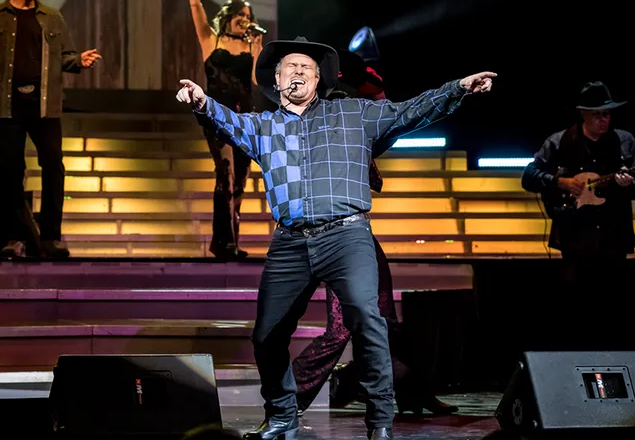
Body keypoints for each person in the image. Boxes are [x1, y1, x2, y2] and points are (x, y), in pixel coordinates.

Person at [176, 36, 495, 440]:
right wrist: (202, 100)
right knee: (267, 334)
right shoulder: (263, 126)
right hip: (290, 242)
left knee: (366, 316)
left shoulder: (354, 113)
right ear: (276, 80)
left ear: (319, 79)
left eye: (306, 67)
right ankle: (282, 416)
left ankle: (380, 422)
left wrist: (458, 89)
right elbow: (226, 120)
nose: (297, 71)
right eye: (290, 67)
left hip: (347, 236)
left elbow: (409, 112)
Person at [291, 51, 458, 417]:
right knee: (340, 331)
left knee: (385, 322)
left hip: (358, 240)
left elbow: (392, 123)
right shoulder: (308, 147)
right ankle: (289, 396)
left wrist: (380, 90)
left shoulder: (356, 133)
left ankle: (412, 394)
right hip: (329, 242)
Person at [0, 0, 101, 259]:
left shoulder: (52, 18)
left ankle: (51, 237)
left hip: (44, 105)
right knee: (11, 173)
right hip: (7, 106)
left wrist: (79, 61)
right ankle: (17, 238)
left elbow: (66, 56)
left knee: (53, 166)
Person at [521, 81, 635, 349]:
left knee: (612, 303)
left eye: (607, 114)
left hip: (614, 234)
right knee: (575, 302)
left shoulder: (624, 142)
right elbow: (528, 176)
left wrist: (629, 184)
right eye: (598, 114)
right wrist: (561, 182)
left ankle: (611, 359)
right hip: (574, 234)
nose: (604, 119)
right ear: (584, 114)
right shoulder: (559, 141)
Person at [178, 0, 264, 260]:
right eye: (241, 14)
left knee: (240, 180)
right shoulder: (210, 39)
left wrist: (255, 49)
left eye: (249, 15)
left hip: (245, 116)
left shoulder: (249, 45)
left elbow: (255, 80)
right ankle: (224, 242)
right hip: (216, 115)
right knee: (225, 172)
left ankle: (229, 241)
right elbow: (196, 6)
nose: (245, 19)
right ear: (229, 16)